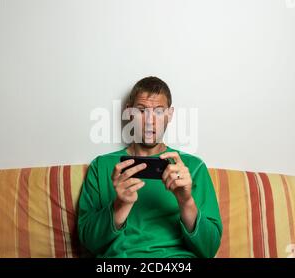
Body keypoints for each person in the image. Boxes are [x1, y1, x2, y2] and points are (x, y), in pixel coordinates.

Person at [78, 76, 222, 258]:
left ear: (170, 115)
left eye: (159, 112)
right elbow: (88, 241)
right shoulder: (101, 166)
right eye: (141, 111)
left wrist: (186, 202)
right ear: (129, 113)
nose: (149, 120)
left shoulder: (192, 167)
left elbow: (209, 249)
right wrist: (119, 205)